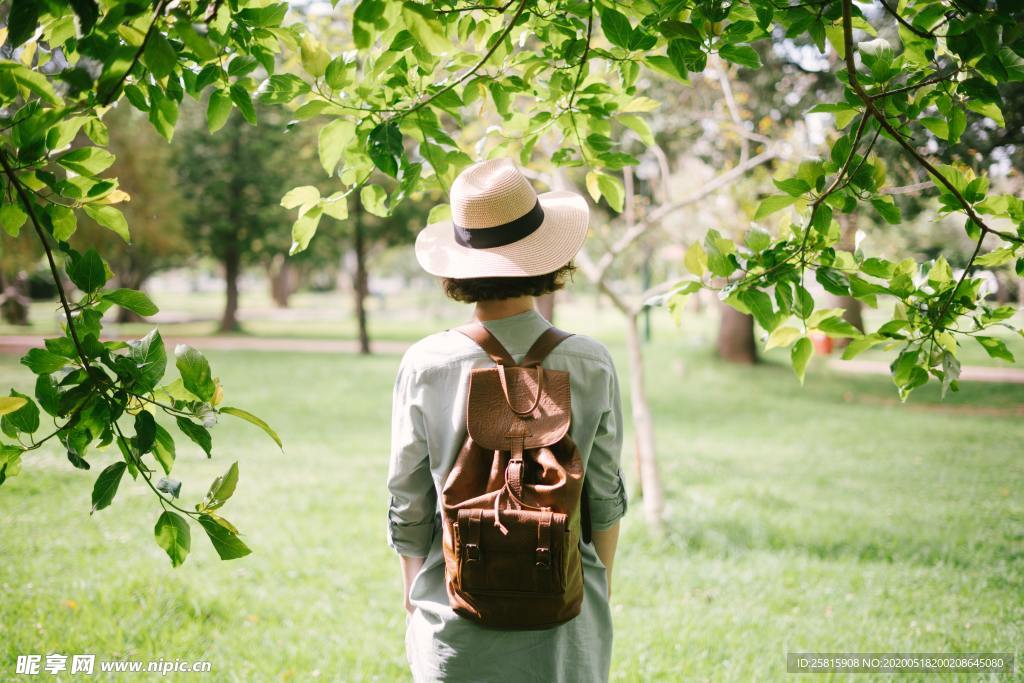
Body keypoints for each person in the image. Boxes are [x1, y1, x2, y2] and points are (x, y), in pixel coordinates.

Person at [386, 158, 629, 682]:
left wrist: (415, 590)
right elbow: (604, 497)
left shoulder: (426, 363)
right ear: (546, 259)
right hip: (566, 621)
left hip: (453, 619)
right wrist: (597, 583)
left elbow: (408, 500)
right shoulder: (590, 361)